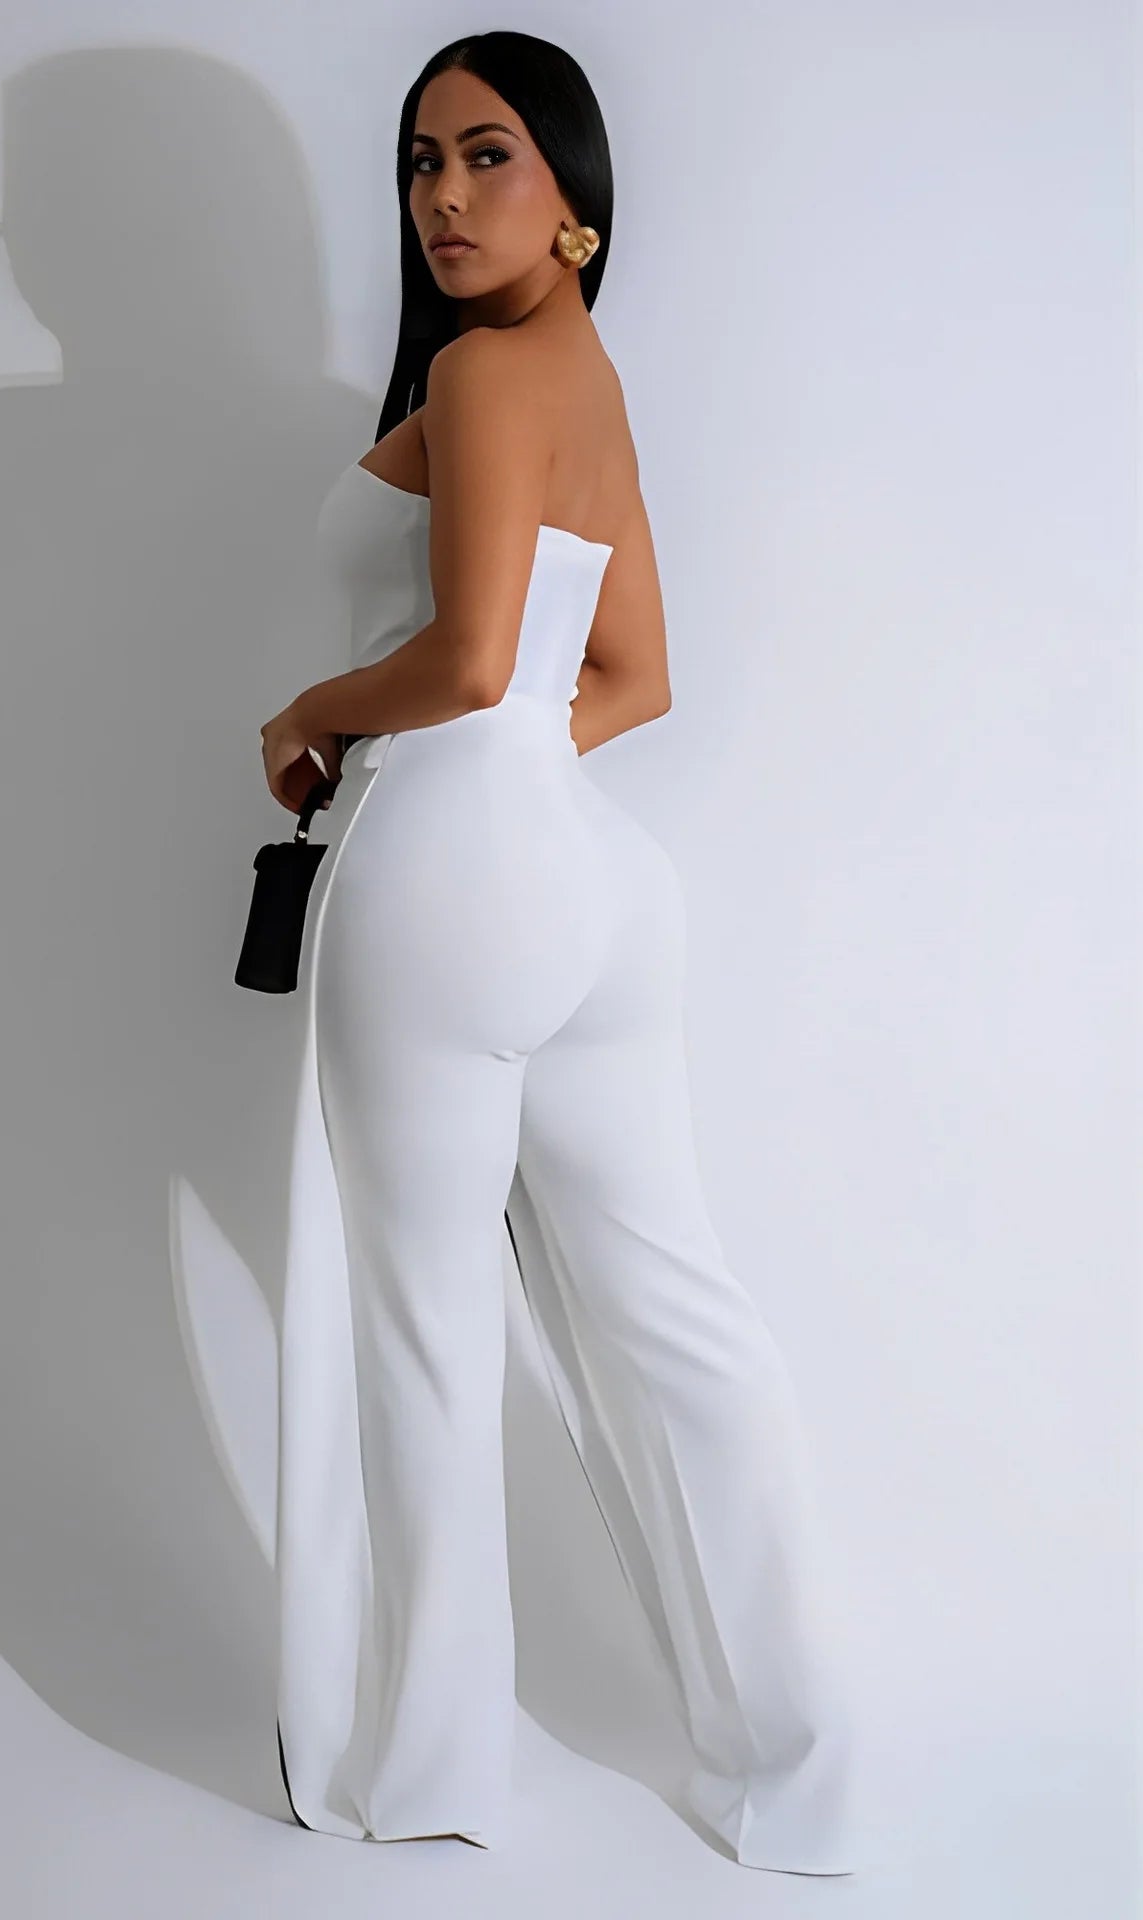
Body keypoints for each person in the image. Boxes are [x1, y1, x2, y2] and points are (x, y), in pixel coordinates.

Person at [257, 31, 858, 1872]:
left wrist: (315, 715)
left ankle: (432, 1780)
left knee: (425, 1328)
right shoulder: (585, 377)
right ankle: (804, 1778)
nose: (442, 196)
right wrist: (519, 774)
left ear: (577, 203)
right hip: (594, 886)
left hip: (447, 873)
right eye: (420, 160)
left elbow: (463, 658)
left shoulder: (483, 372)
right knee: (679, 1314)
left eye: (488, 156)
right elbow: (634, 677)